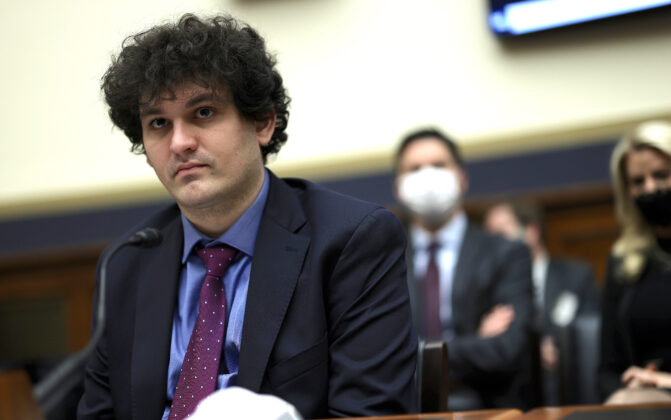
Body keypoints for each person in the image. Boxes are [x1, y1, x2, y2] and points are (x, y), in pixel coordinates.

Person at [77, 14, 417, 419]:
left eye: (203, 112)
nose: (180, 142)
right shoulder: (125, 265)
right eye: (159, 124)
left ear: (262, 122)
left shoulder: (350, 242)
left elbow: (369, 413)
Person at [393, 128, 534, 410]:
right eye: (415, 169)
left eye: (439, 165)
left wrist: (417, 354)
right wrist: (473, 342)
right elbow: (371, 353)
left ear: (462, 178)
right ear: (398, 187)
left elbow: (507, 350)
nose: (428, 176)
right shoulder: (382, 259)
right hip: (402, 408)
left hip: (489, 407)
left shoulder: (506, 253)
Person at [599, 120, 671, 404]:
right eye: (638, 182)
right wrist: (630, 387)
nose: (651, 189)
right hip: (645, 403)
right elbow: (607, 370)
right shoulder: (623, 261)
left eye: (662, 175)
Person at [484, 201, 599, 404]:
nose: (496, 245)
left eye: (501, 233)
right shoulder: (488, 288)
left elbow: (591, 337)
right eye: (490, 238)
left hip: (567, 383)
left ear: (531, 230)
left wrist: (561, 350)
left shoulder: (577, 276)